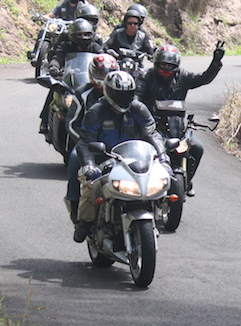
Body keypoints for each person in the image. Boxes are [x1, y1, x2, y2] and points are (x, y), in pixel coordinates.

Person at [72, 70, 169, 243]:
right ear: (108, 92)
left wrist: (163, 158)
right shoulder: (96, 112)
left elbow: (152, 133)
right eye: (119, 94)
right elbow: (85, 141)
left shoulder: (138, 109)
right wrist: (88, 164)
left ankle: (158, 214)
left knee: (160, 182)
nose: (123, 98)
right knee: (91, 186)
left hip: (134, 160)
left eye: (127, 94)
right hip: (103, 162)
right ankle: (85, 222)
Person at [136, 42, 224, 195]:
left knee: (197, 147)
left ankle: (187, 180)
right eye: (162, 64)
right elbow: (137, 99)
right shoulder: (146, 77)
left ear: (176, 65)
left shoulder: (182, 76)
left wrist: (215, 63)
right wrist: (142, 114)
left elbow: (203, 79)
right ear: (156, 63)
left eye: (169, 65)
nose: (165, 68)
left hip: (177, 127)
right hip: (151, 125)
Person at [63, 53, 121, 224]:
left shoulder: (121, 92)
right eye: (101, 73)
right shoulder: (83, 93)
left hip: (116, 143)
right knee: (74, 157)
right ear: (93, 73)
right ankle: (74, 202)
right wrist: (83, 143)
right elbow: (72, 123)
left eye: (108, 73)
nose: (104, 78)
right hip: (88, 143)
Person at [39, 18, 104, 136]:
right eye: (79, 34)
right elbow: (57, 57)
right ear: (72, 35)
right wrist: (54, 67)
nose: (83, 37)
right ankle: (44, 120)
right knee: (54, 89)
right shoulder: (65, 45)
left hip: (89, 79)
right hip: (70, 78)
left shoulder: (94, 46)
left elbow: (102, 56)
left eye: (86, 34)